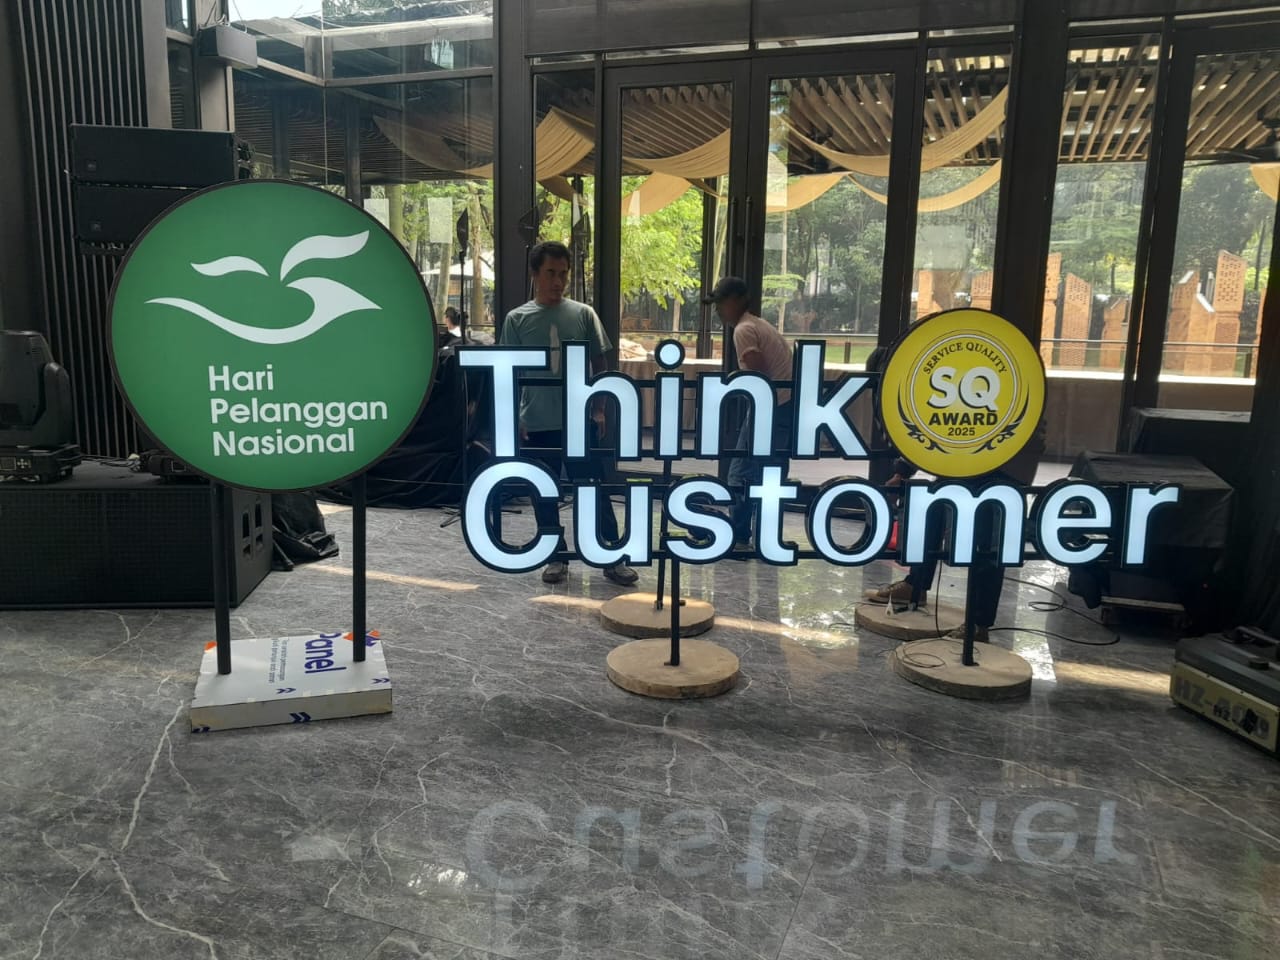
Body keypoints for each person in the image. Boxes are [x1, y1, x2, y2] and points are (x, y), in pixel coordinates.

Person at [499, 241, 639, 586]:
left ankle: (611, 555)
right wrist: (513, 418)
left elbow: (600, 363)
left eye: (563, 274)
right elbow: (507, 372)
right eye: (550, 273)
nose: (558, 281)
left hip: (578, 420)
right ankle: (556, 556)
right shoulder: (517, 319)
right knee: (544, 492)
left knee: (593, 489)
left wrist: (600, 408)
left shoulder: (583, 314)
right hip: (536, 422)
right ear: (535, 274)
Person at [704, 276, 794, 549]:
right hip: (785, 405)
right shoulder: (759, 324)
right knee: (772, 473)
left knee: (740, 472)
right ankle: (767, 535)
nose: (718, 310)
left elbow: (758, 378)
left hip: (770, 407)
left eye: (722, 303)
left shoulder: (744, 330)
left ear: (737, 300)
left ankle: (738, 533)